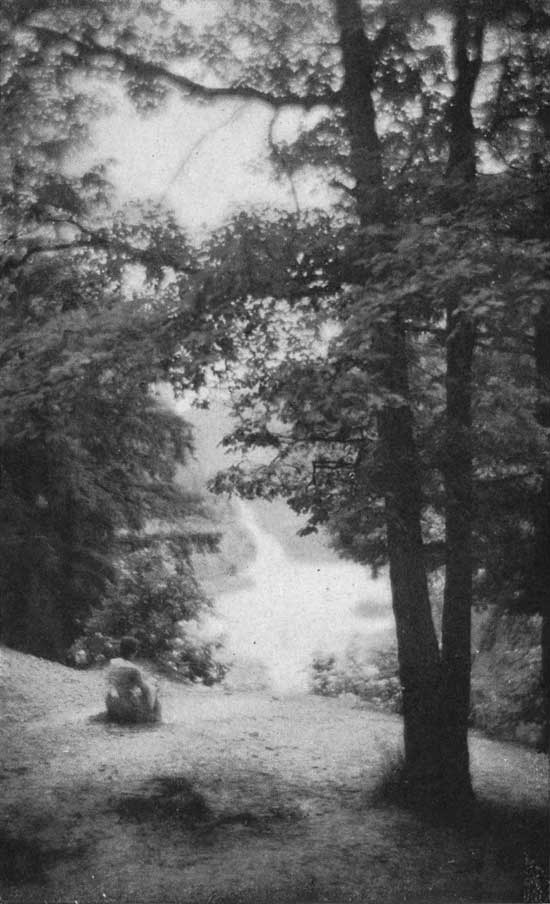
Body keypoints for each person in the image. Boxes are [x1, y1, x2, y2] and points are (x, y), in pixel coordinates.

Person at [105, 636, 161, 724]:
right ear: (135, 651)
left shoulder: (113, 662)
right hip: (124, 706)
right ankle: (156, 718)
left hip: (110, 702)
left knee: (146, 687)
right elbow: (145, 689)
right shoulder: (133, 669)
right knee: (153, 689)